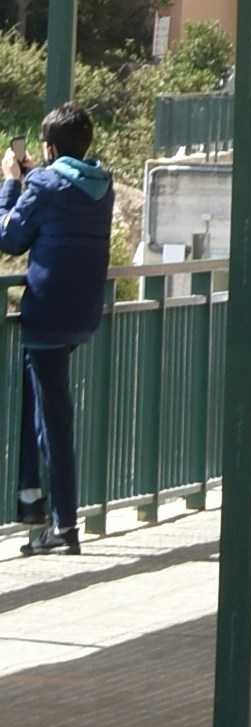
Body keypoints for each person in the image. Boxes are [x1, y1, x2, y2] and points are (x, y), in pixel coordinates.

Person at [0, 104, 112, 557]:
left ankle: (64, 526)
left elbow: (9, 239)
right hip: (83, 312)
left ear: (47, 148)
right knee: (51, 409)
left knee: (54, 421)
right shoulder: (101, 187)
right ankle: (35, 502)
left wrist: (11, 182)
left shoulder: (44, 184)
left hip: (46, 313)